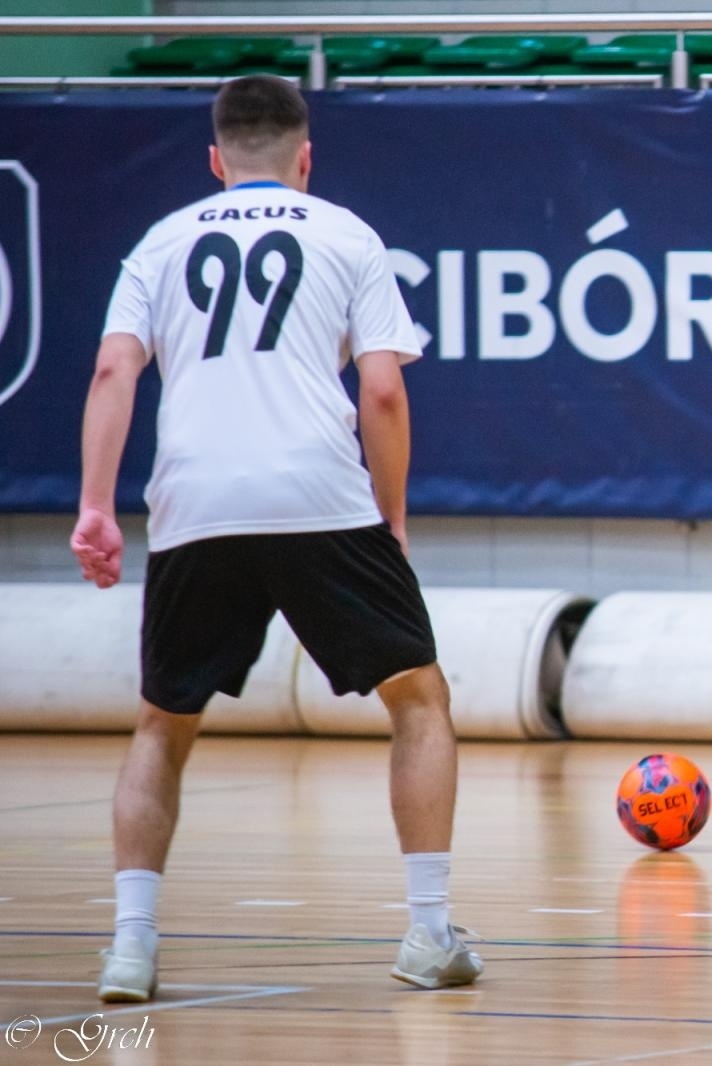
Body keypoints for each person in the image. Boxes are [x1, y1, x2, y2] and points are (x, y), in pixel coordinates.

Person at [70, 75, 481, 999]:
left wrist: (97, 506)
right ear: (306, 158)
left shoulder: (161, 243)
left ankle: (131, 946)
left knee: (162, 723)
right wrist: (393, 517)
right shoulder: (344, 232)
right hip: (317, 495)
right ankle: (427, 933)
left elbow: (111, 369)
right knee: (419, 698)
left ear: (216, 161)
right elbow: (380, 390)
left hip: (193, 501)